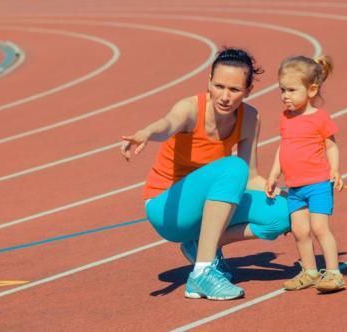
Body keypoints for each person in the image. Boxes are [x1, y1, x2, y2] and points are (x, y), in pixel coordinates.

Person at [121, 48, 290, 301]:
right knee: (233, 168)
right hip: (167, 208)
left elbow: (252, 176)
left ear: (248, 91)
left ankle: (199, 246)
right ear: (208, 81)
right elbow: (167, 125)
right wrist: (146, 132)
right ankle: (202, 272)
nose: (224, 96)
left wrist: (279, 191)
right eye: (218, 86)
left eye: (234, 90)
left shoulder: (250, 118)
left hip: (205, 207)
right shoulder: (191, 109)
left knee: (283, 213)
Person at [265, 55, 345, 293]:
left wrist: (335, 170)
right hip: (294, 187)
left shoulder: (319, 118)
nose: (285, 95)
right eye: (282, 90)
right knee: (300, 231)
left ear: (311, 90)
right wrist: (273, 174)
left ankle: (333, 273)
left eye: (291, 90)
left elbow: (331, 145)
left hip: (318, 183)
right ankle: (309, 271)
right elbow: (284, 147)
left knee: (320, 228)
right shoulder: (285, 118)